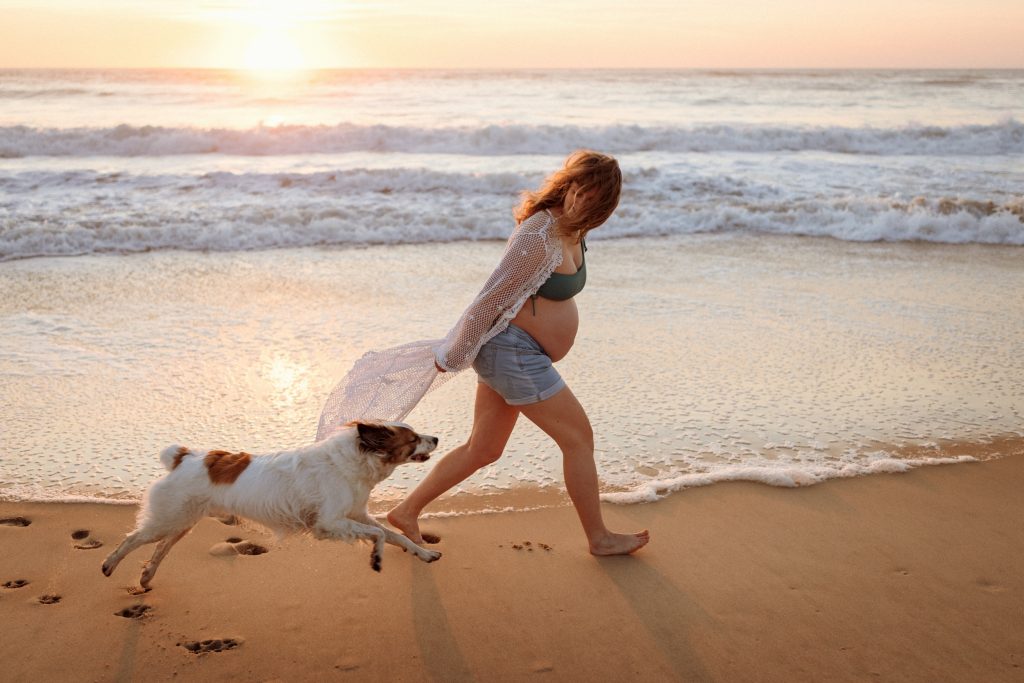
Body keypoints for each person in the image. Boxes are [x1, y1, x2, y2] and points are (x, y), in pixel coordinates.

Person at [386, 150, 650, 556]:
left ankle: (405, 512)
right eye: (581, 189)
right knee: (579, 440)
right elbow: (489, 299)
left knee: (484, 449)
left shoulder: (575, 229)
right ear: (567, 184)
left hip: (518, 355)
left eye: (597, 198)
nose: (585, 200)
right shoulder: (537, 235)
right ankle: (599, 538)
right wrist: (455, 351)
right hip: (512, 354)